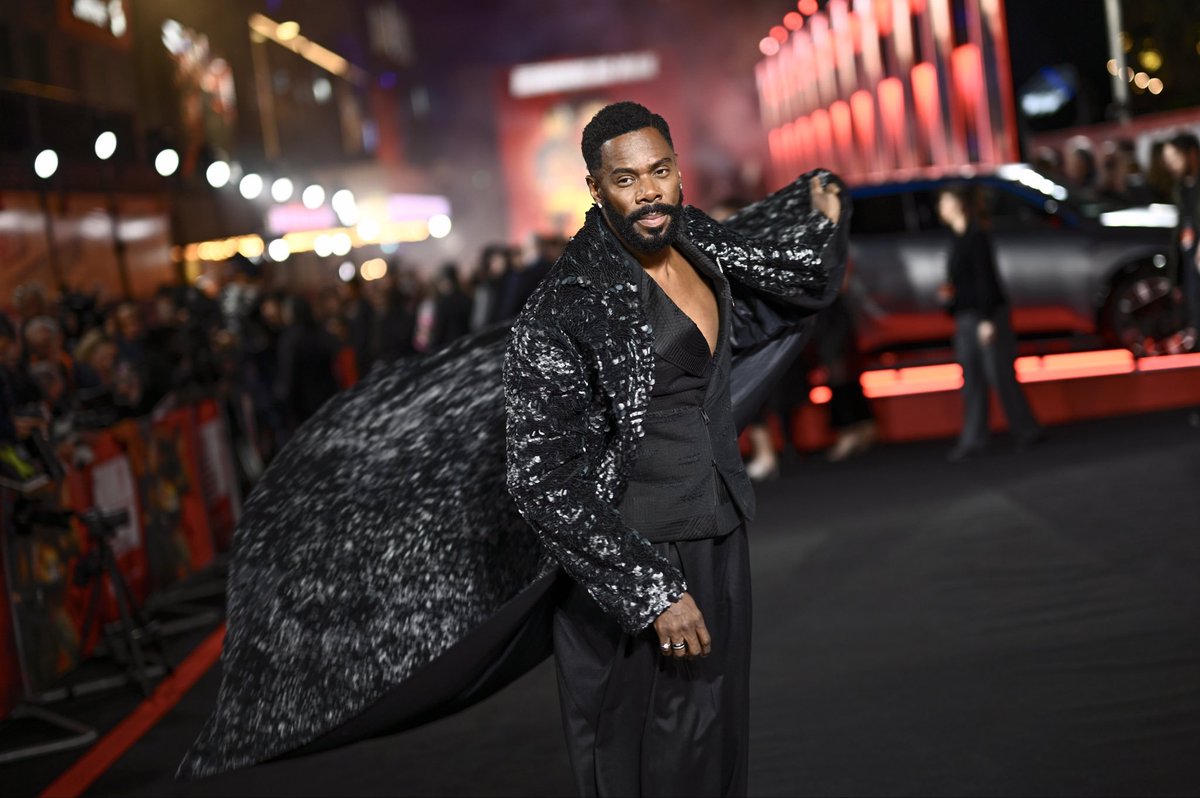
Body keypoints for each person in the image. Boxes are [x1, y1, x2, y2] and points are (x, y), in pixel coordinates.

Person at [177, 101, 850, 790]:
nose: (648, 190)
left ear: (678, 173)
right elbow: (539, 478)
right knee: (649, 760)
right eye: (626, 179)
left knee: (717, 743)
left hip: (719, 527)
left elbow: (778, 265)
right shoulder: (568, 304)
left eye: (660, 171)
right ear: (595, 188)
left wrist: (818, 209)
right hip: (639, 556)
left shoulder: (696, 238)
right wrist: (650, 592)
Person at [936, 185, 1043, 461]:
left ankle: (1025, 430)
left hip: (987, 316)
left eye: (947, 202)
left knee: (1000, 375)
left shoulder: (976, 237)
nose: (943, 208)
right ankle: (974, 438)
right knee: (971, 378)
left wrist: (986, 318)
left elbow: (986, 280)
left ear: (960, 203)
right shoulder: (956, 239)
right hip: (966, 316)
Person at [1161, 132, 1200, 351]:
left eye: (1175, 158)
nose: (1171, 166)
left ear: (1192, 154)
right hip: (1188, 255)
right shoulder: (1180, 189)